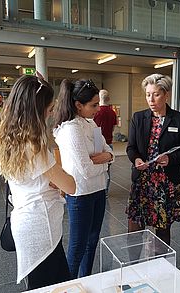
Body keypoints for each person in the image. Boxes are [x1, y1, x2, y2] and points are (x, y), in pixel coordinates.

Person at [0, 75, 76, 290]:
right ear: (36, 112)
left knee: (47, 282)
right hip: (40, 226)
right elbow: (71, 186)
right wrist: (59, 178)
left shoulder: (8, 140)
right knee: (50, 285)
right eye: (48, 108)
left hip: (26, 222)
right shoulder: (35, 149)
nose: (51, 113)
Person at [53, 79, 114, 279]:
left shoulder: (90, 122)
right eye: (94, 105)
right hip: (80, 194)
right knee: (78, 247)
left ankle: (86, 281)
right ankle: (69, 286)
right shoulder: (71, 129)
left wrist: (107, 157)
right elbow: (86, 170)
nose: (98, 109)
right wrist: (106, 162)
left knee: (92, 241)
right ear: (78, 105)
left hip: (98, 190)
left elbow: (108, 149)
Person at [126, 74, 180, 245]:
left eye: (156, 94)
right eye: (148, 94)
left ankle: (160, 268)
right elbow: (131, 147)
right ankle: (133, 267)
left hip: (167, 182)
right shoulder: (138, 118)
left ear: (166, 95)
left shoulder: (179, 119)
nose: (151, 99)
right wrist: (136, 160)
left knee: (162, 229)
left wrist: (171, 159)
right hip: (143, 181)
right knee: (134, 228)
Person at [94, 89, 117, 196]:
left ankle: (99, 189)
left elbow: (94, 129)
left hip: (98, 144)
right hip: (109, 142)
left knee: (98, 168)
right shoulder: (113, 112)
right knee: (107, 169)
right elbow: (113, 128)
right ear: (108, 98)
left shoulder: (97, 112)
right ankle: (106, 191)